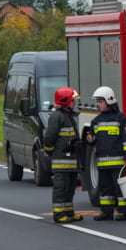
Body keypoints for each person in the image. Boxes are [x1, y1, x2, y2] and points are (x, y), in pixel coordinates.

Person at [87, 86, 126, 221]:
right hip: (102, 163)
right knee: (105, 189)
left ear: (109, 100)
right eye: (98, 101)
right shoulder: (96, 121)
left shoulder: (121, 119)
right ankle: (106, 212)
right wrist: (90, 138)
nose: (98, 104)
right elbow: (92, 138)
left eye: (100, 101)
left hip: (118, 162)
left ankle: (122, 212)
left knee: (120, 189)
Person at [43, 87, 83, 223]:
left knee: (70, 188)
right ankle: (59, 215)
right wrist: (50, 151)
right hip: (61, 161)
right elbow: (49, 138)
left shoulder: (69, 116)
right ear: (65, 101)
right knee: (61, 188)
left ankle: (68, 212)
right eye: (73, 100)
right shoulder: (57, 116)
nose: (74, 103)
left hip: (71, 161)